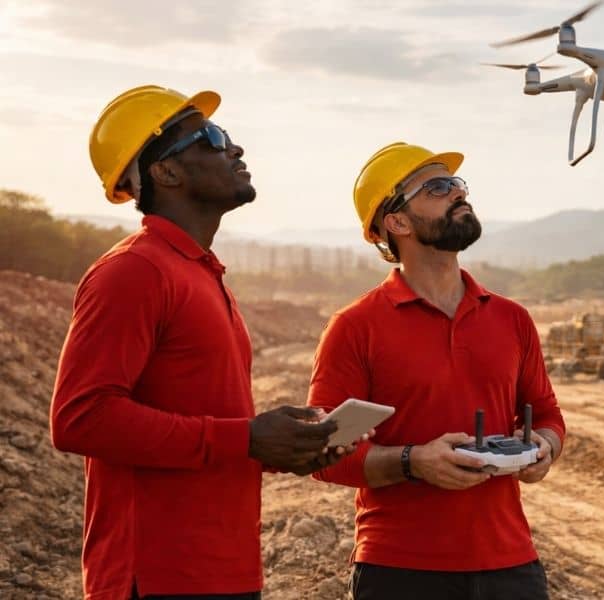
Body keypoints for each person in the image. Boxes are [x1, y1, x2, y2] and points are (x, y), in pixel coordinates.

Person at [50, 85, 351, 600]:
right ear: (166, 172)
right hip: (158, 576)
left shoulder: (200, 273)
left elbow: (207, 426)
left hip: (223, 569)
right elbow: (80, 418)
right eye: (212, 138)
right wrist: (246, 439)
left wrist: (280, 447)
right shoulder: (134, 271)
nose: (235, 148)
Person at [308, 142, 567, 599]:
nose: (459, 193)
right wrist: (413, 462)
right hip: (400, 570)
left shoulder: (512, 318)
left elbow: (546, 414)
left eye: (458, 185)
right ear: (398, 222)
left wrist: (545, 447)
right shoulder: (354, 327)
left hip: (510, 564)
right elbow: (324, 454)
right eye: (438, 188)